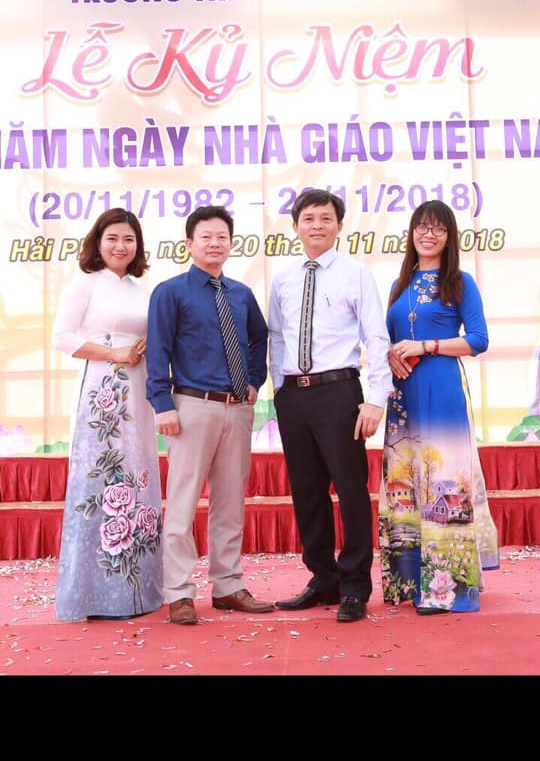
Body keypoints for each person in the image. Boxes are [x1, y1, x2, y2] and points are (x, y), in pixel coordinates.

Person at [268, 189, 393, 622]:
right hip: (293, 395)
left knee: (351, 489)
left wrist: (375, 399)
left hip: (339, 392)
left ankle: (355, 585)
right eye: (308, 218)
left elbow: (376, 337)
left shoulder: (355, 274)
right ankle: (323, 578)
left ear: (339, 226)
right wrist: (279, 388)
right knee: (307, 491)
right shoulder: (283, 277)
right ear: (295, 226)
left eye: (325, 218)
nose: (317, 225)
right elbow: (277, 336)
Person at [145, 205, 272, 625]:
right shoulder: (171, 292)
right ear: (189, 243)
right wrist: (162, 404)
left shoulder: (241, 293)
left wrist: (254, 380)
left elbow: (259, 338)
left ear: (231, 243)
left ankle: (228, 585)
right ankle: (179, 592)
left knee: (230, 502)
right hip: (191, 407)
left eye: (222, 237)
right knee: (182, 502)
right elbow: (158, 350)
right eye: (206, 237)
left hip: (237, 409)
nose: (215, 243)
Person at [378, 200, 499, 615]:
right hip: (403, 396)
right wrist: (391, 356)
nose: (428, 235)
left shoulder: (460, 282)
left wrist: (426, 345)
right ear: (411, 233)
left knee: (443, 479)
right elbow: (388, 338)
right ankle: (410, 581)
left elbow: (478, 339)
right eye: (422, 227)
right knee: (405, 481)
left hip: (442, 387)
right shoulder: (399, 285)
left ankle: (447, 588)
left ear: (449, 238)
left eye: (438, 229)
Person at [52, 208, 164, 621]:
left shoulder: (141, 288)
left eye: (129, 239)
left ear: (138, 245)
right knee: (99, 480)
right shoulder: (85, 284)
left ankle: (138, 591)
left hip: (139, 390)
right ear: (98, 242)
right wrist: (113, 353)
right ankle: (91, 595)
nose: (121, 246)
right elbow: (62, 337)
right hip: (103, 390)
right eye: (113, 238)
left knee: (137, 476)